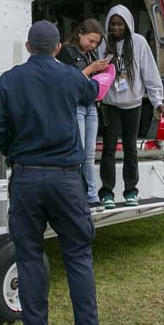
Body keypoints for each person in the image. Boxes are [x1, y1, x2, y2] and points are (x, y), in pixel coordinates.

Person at [0, 20, 106, 325]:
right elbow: (91, 94)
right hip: (67, 180)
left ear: (28, 47)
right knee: (78, 259)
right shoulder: (70, 76)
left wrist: (17, 148)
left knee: (30, 260)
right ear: (57, 48)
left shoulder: (11, 80)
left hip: (27, 178)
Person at [97, 5, 164, 210]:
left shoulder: (139, 42)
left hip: (133, 104)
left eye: (120, 24)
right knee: (108, 149)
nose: (116, 28)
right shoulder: (103, 43)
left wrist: (157, 100)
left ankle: (131, 191)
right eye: (112, 24)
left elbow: (150, 72)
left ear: (128, 24)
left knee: (130, 148)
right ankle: (106, 193)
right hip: (110, 104)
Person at [57, 19, 114, 209]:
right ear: (80, 33)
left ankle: (91, 195)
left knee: (89, 154)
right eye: (91, 41)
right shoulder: (66, 52)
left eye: (97, 43)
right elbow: (67, 81)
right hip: (76, 106)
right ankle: (78, 195)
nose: (93, 45)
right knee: (78, 151)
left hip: (91, 105)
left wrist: (102, 72)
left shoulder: (90, 54)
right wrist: (91, 69)